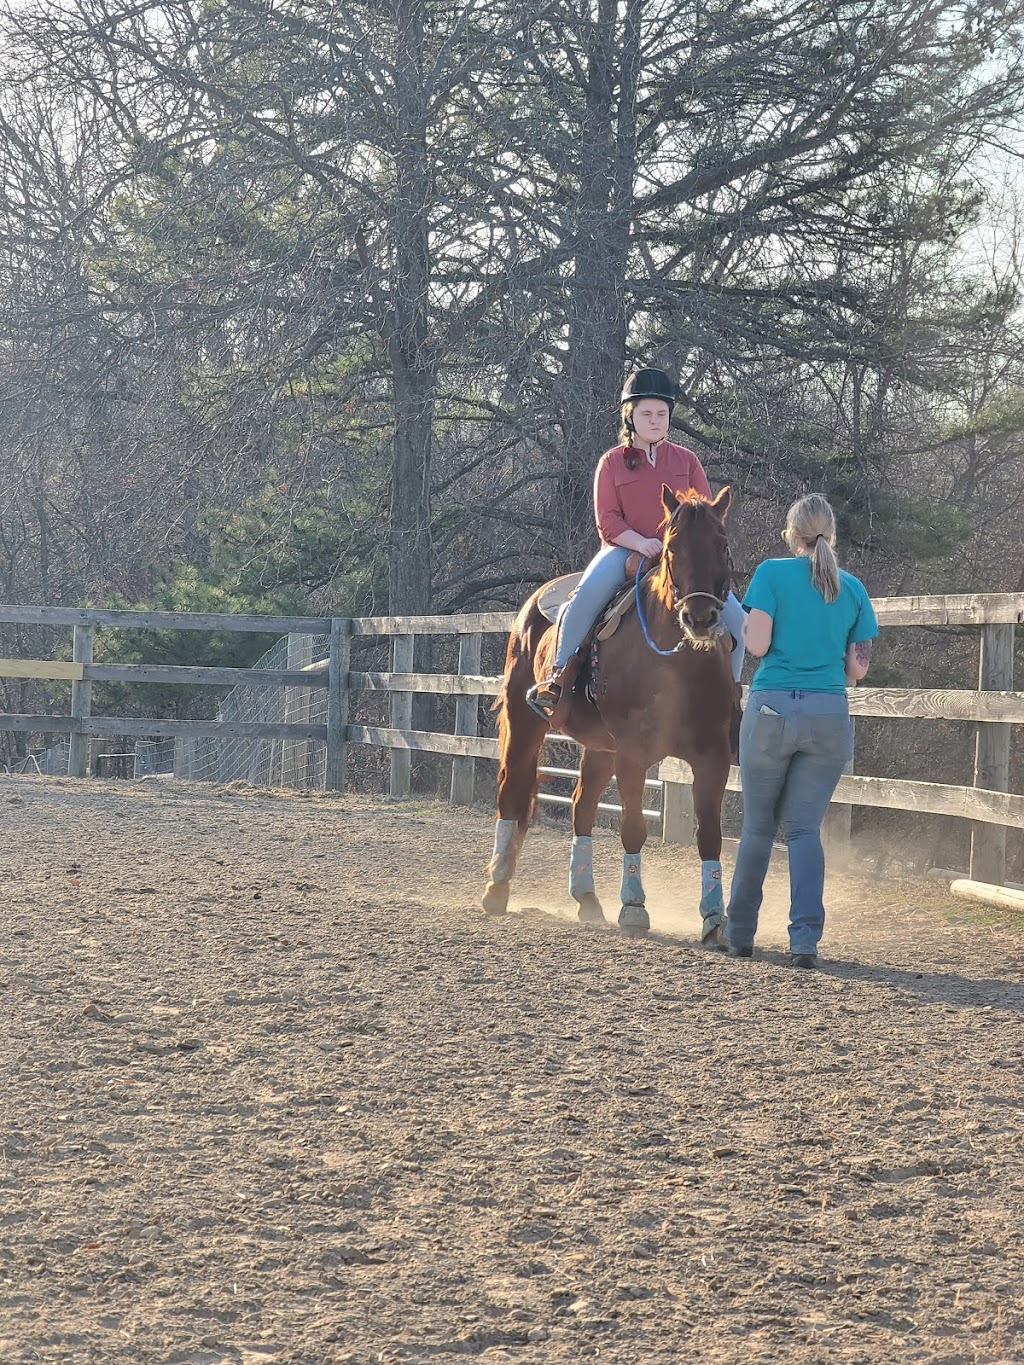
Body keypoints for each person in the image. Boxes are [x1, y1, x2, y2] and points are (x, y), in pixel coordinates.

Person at [526, 368, 746, 719]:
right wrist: (641, 543)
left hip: (679, 555)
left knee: (737, 620)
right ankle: (558, 676)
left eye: (661, 414)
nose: (655, 420)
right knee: (585, 596)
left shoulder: (686, 460)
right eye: (647, 413)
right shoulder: (612, 462)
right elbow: (607, 520)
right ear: (631, 416)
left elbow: (704, 515)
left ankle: (730, 697)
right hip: (623, 549)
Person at [723, 493, 878, 969]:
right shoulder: (851, 587)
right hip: (830, 713)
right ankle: (804, 941)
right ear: (830, 534)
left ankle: (740, 935)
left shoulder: (771, 573)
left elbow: (758, 644)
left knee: (757, 827)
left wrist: (744, 624)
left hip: (773, 708)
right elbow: (857, 669)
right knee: (805, 830)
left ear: (792, 535)